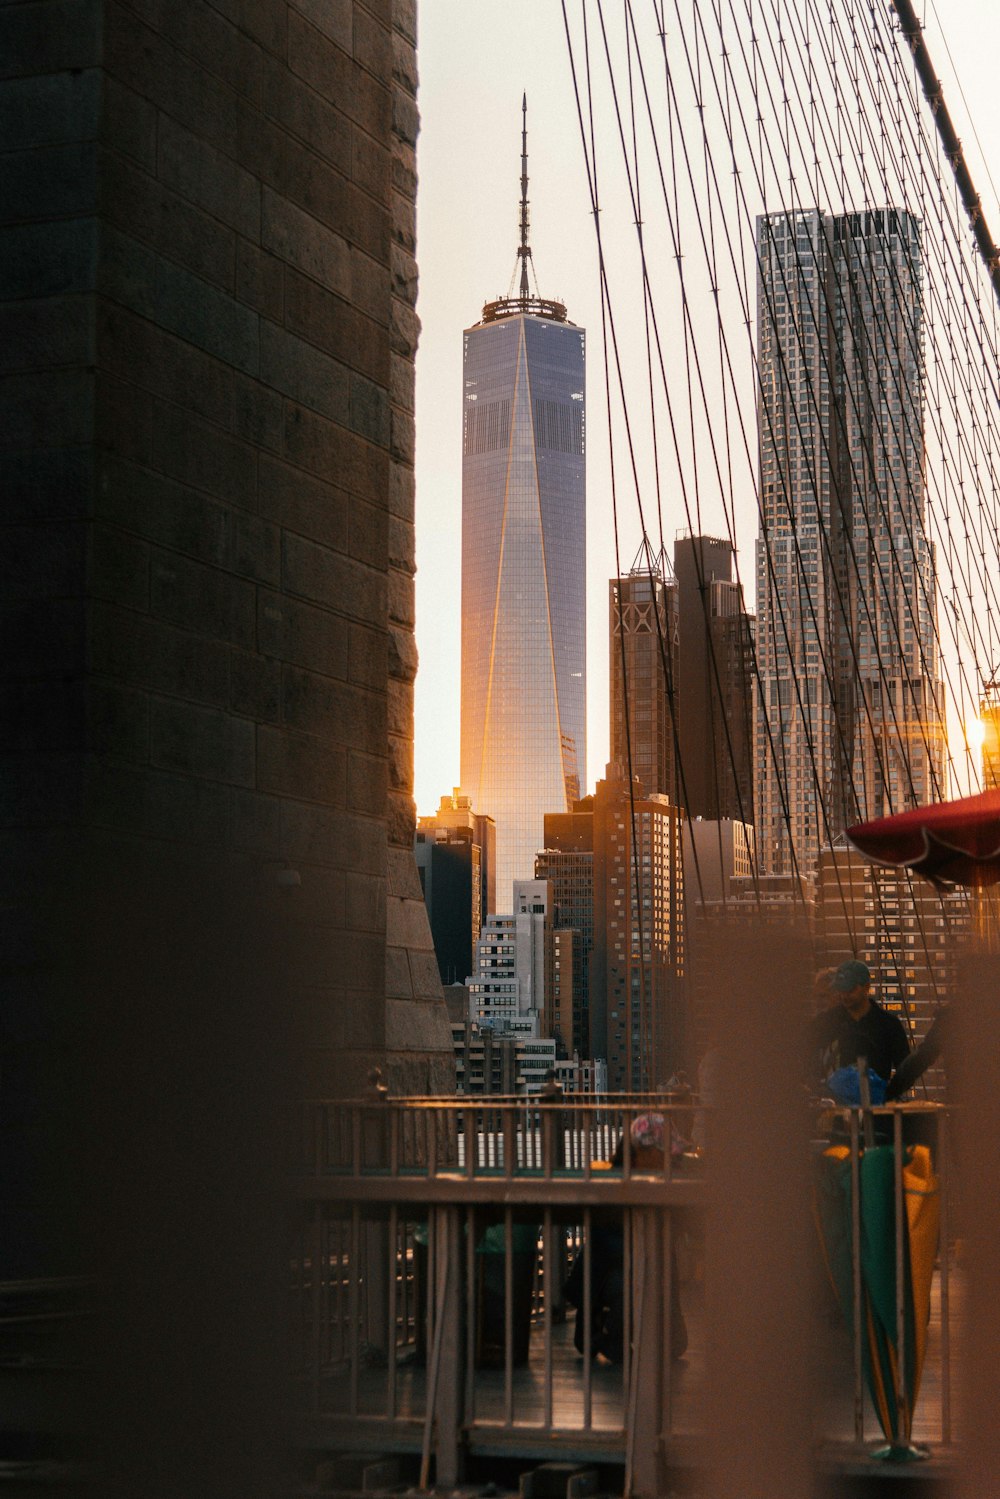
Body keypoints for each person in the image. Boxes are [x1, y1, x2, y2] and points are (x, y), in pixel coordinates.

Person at [808, 958, 910, 1095]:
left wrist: (886, 1096)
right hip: (835, 1108)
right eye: (841, 990)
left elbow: (905, 1071)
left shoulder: (888, 1026)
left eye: (850, 989)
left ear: (866, 987)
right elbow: (802, 1058)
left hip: (876, 1110)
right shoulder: (824, 1023)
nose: (845, 995)